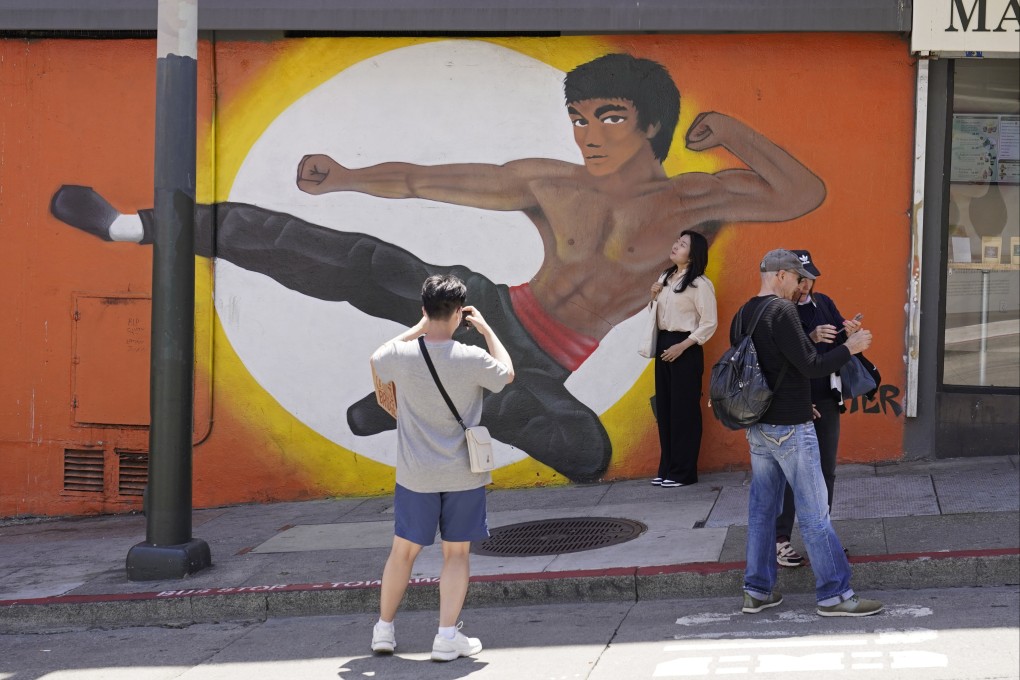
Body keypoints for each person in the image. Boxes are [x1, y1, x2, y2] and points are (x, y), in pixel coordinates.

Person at [48, 52, 825, 483]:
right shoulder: (548, 182)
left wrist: (734, 132)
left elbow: (802, 191)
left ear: (651, 123)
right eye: (581, 119)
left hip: (542, 371)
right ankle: (136, 225)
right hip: (493, 311)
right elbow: (425, 178)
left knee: (586, 453)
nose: (590, 134)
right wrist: (348, 176)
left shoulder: (694, 198)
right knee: (367, 262)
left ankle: (432, 391)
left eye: (610, 118)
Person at [368, 274, 514, 661]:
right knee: (456, 555)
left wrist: (419, 326)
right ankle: (446, 637)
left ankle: (384, 630)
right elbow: (507, 373)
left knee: (402, 553)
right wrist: (486, 330)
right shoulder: (470, 357)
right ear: (458, 315)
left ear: (424, 309)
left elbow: (377, 357)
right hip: (462, 474)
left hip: (415, 475)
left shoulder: (400, 355)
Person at [734, 249, 882, 617]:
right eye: (797, 277)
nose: (800, 285)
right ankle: (835, 595)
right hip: (790, 430)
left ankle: (757, 590)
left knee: (762, 511)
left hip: (759, 426)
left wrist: (800, 400)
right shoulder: (782, 312)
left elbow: (758, 369)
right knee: (815, 514)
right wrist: (850, 348)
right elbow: (813, 366)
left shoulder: (744, 312)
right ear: (780, 275)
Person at [774, 250, 862, 568]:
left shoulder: (823, 302)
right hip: (795, 401)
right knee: (789, 473)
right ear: (788, 277)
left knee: (826, 470)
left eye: (811, 277)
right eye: (802, 277)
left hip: (826, 397)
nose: (807, 284)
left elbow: (837, 344)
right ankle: (780, 540)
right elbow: (783, 357)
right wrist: (810, 338)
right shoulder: (781, 310)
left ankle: (823, 535)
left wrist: (847, 334)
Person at [648, 230, 717, 487]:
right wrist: (654, 295)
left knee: (684, 412)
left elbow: (709, 323)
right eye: (677, 241)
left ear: (693, 254)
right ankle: (667, 468)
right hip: (665, 344)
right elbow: (659, 315)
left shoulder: (700, 284)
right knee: (665, 409)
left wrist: (683, 346)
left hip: (686, 348)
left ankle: (683, 472)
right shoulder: (665, 277)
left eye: (683, 244)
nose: (676, 245)